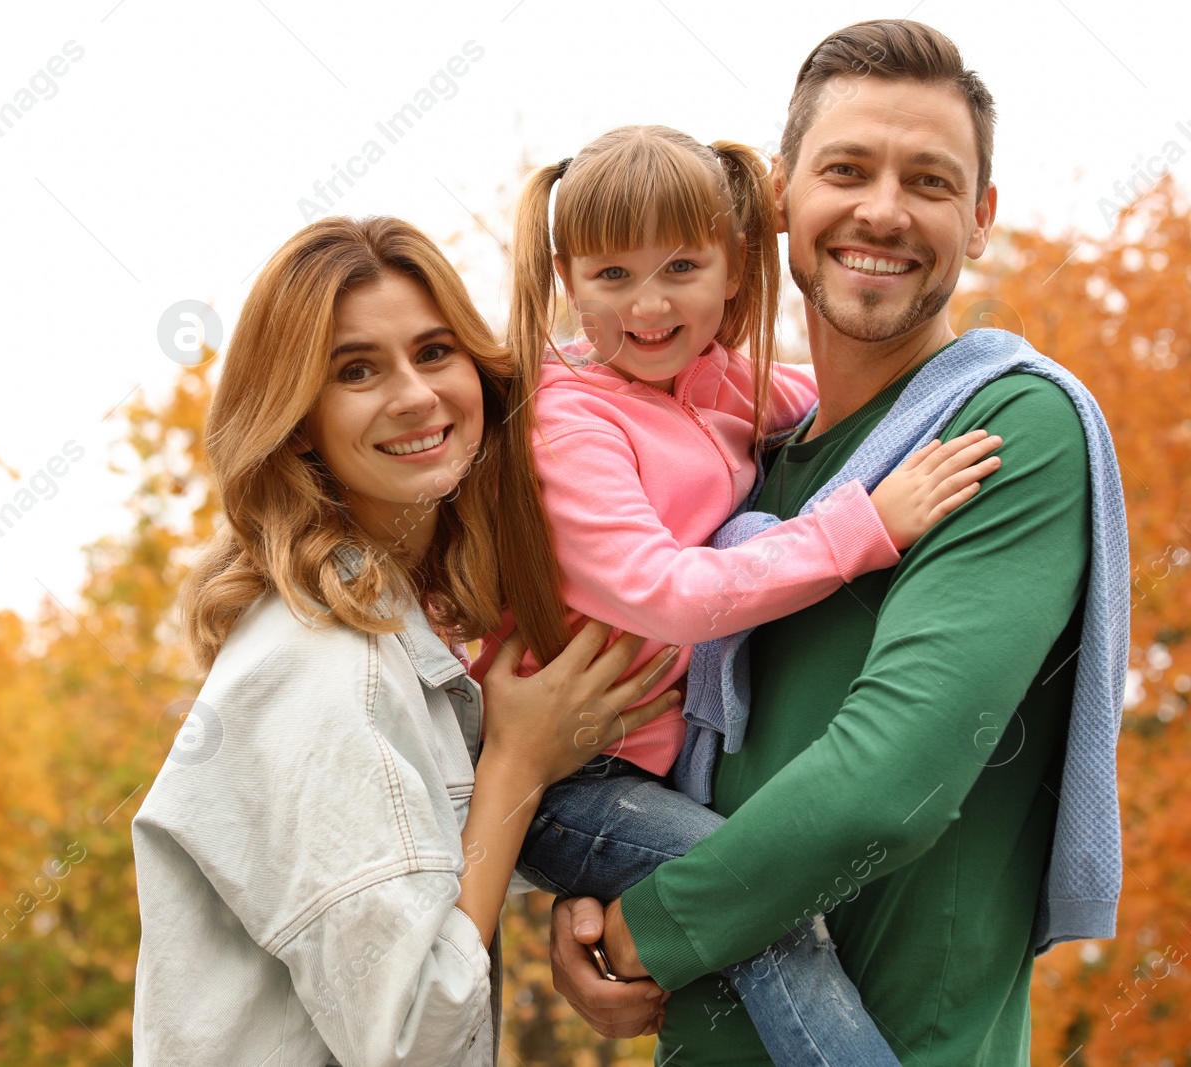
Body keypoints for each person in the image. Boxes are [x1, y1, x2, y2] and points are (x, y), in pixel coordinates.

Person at [549, 20, 1127, 1066]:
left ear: (981, 219)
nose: (883, 209)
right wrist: (585, 882)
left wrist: (641, 930)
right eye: (846, 169)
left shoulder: (1000, 431)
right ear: (779, 196)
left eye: (931, 181)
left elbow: (886, 782)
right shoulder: (746, 471)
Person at [465, 124, 1001, 1066]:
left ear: (734, 266)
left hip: (651, 765)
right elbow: (668, 595)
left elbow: (843, 401)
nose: (651, 304)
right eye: (612, 275)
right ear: (565, 274)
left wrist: (984, 378)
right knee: (769, 911)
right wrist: (864, 525)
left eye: (681, 265)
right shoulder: (568, 417)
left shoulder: (713, 379)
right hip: (569, 776)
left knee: (761, 912)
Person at [130, 216, 679, 1066]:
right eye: (357, 370)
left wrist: (590, 905)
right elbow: (412, 1039)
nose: (416, 395)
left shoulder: (401, 635)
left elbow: (415, 882)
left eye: (433, 352)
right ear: (299, 418)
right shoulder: (324, 668)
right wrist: (516, 768)